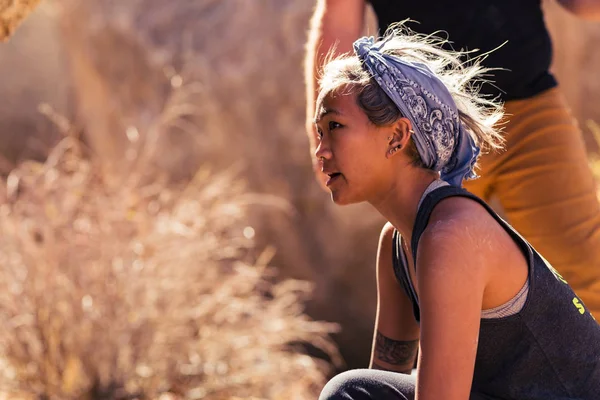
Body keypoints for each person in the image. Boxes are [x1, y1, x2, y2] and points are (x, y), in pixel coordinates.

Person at [313, 28, 600, 400]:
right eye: (318, 132)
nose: (320, 151)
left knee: (348, 390)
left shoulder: (452, 235)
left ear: (397, 137)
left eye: (334, 127)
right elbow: (384, 380)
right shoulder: (398, 244)